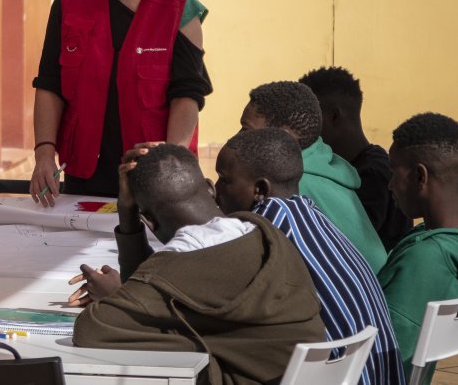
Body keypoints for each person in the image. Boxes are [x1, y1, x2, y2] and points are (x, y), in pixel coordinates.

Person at [68, 144, 324, 383]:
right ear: (211, 189)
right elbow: (155, 292)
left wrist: (118, 297)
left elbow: (91, 330)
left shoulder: (174, 265)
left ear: (148, 221)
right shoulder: (267, 235)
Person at [30, 0, 211, 204]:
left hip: (151, 172)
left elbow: (187, 96)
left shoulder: (182, 11)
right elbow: (50, 83)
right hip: (84, 169)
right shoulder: (71, 0)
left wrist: (169, 163)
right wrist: (44, 153)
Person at [213, 128, 405, 385]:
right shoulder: (309, 214)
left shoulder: (267, 231)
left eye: (224, 180)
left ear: (260, 189)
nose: (215, 189)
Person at [240, 80, 387, 272]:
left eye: (246, 129)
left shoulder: (287, 185)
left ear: (283, 137)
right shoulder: (328, 167)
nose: (237, 138)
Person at [380, 112, 458, 382]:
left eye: (394, 171)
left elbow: (383, 358)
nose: (390, 185)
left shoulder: (425, 260)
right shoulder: (445, 245)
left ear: (419, 176)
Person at [299, 66, 411, 250]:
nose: (302, 127)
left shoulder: (373, 174)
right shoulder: (348, 166)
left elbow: (345, 244)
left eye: (308, 118)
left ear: (334, 116)